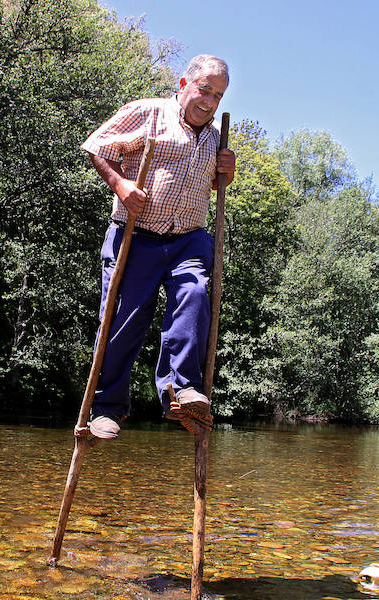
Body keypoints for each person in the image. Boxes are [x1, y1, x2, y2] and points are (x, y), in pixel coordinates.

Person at [79, 54, 236, 440]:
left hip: (188, 238)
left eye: (218, 95)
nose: (210, 102)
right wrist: (120, 186)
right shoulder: (147, 112)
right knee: (121, 320)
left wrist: (224, 175)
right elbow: (98, 147)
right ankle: (107, 408)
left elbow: (210, 186)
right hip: (136, 234)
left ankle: (181, 391)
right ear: (184, 84)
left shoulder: (217, 137)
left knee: (196, 295)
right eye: (205, 90)